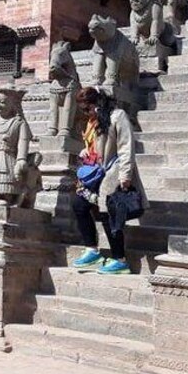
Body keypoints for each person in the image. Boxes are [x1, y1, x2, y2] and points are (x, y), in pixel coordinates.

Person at [72, 87, 148, 275]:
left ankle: (119, 259)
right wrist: (86, 151)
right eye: (83, 109)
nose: (86, 113)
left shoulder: (117, 116)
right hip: (96, 172)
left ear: (98, 103)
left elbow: (125, 146)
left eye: (88, 108)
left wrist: (126, 176)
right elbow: (95, 145)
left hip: (114, 171)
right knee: (78, 203)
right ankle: (92, 249)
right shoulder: (93, 122)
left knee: (109, 212)